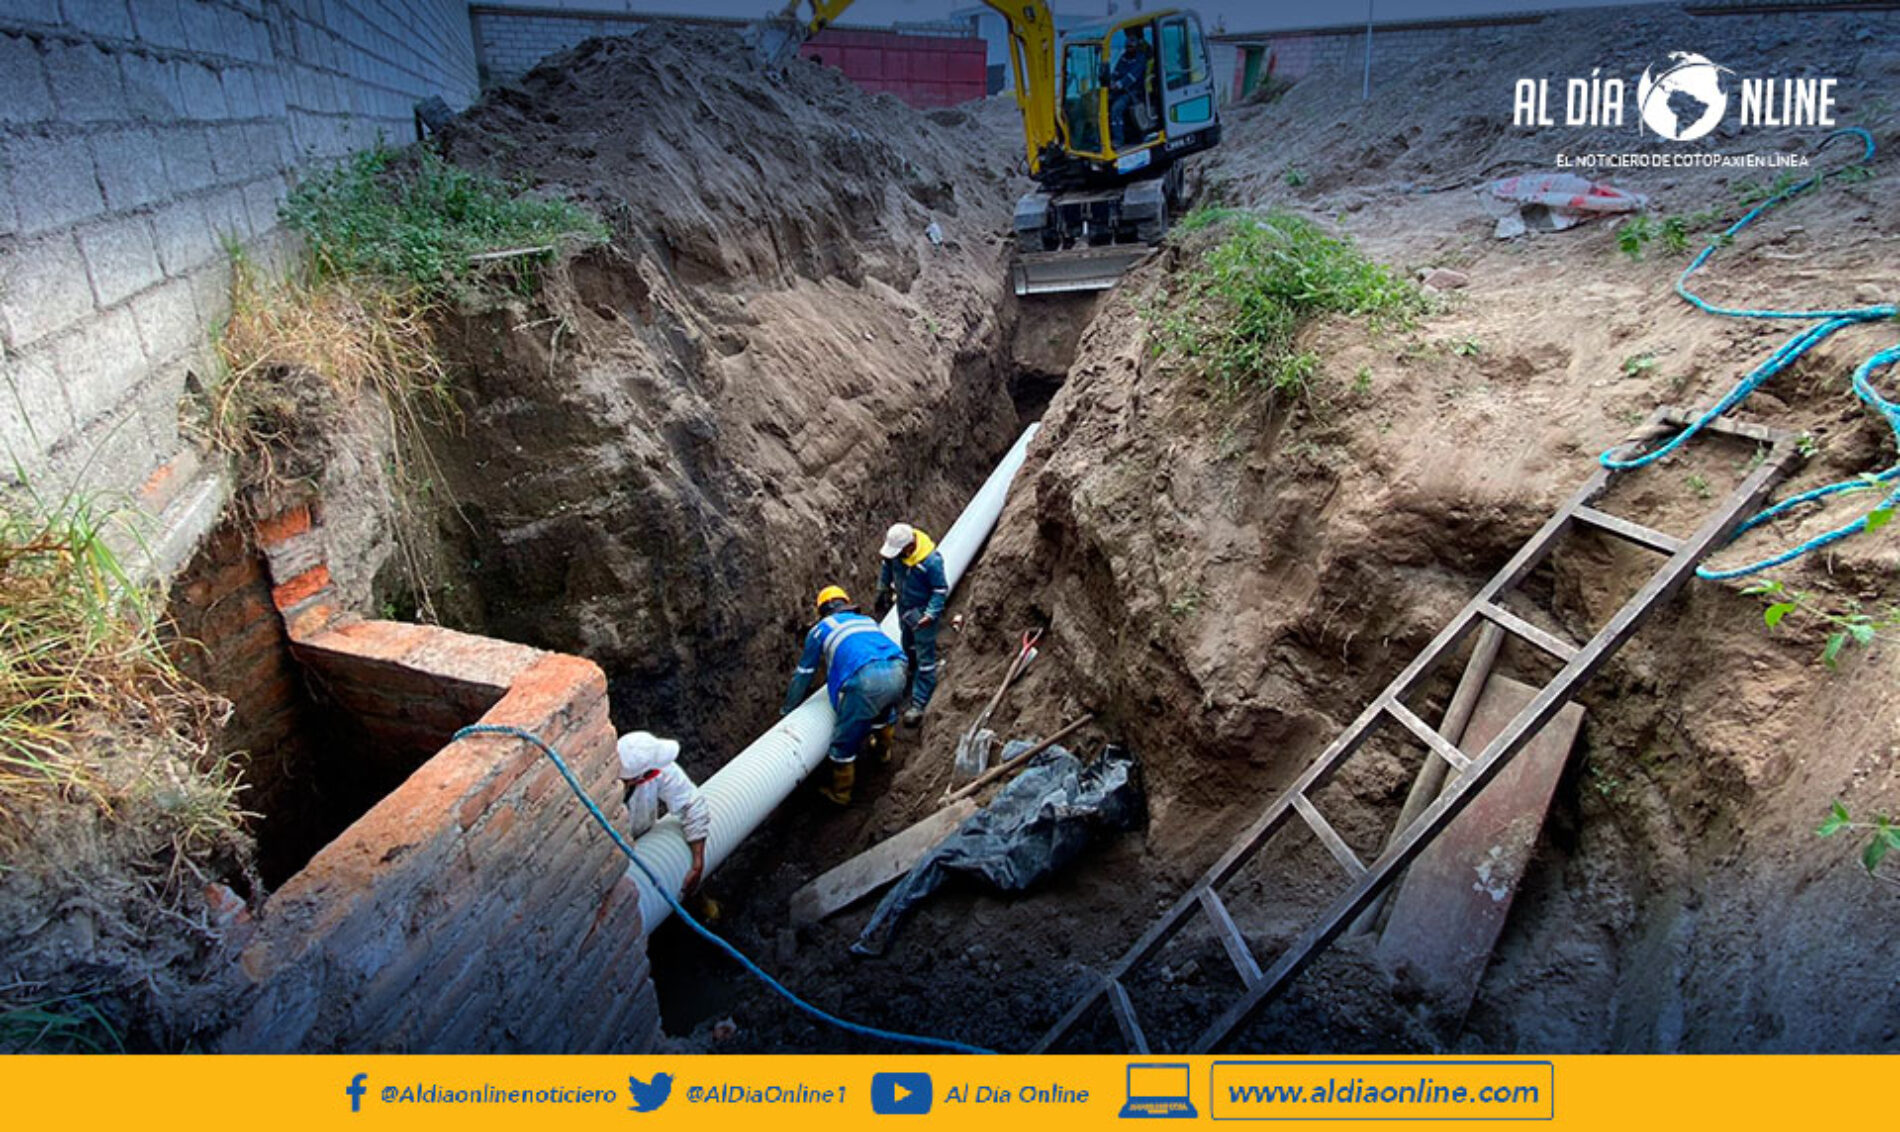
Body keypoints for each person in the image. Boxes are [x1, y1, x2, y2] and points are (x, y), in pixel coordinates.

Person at [782, 585, 911, 806]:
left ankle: (841, 794)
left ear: (822, 609)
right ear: (846, 603)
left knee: (844, 739)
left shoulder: (820, 629)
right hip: (898, 668)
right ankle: (882, 753)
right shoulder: (867, 620)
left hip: (865, 678)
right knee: (883, 711)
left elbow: (804, 673)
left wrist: (788, 708)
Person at [616, 730, 709, 896]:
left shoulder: (656, 770)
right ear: (638, 777)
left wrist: (697, 862)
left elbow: (692, 803)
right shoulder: (601, 796)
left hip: (645, 839)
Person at [875, 522, 949, 726]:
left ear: (909, 546)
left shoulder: (930, 562)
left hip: (923, 614)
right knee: (908, 644)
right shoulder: (897, 556)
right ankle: (911, 674)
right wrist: (883, 588)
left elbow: (940, 589)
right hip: (904, 609)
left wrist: (931, 613)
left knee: (925, 656)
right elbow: (886, 566)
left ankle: (919, 702)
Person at [1109, 33, 1155, 148]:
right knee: (1105, 102)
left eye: (1131, 47)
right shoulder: (1124, 57)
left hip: (1134, 92)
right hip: (1122, 90)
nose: (1129, 49)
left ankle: (1119, 140)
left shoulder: (1140, 59)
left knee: (1116, 109)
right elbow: (1116, 71)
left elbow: (1132, 77)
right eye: (1127, 47)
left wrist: (1119, 84)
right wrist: (1112, 81)